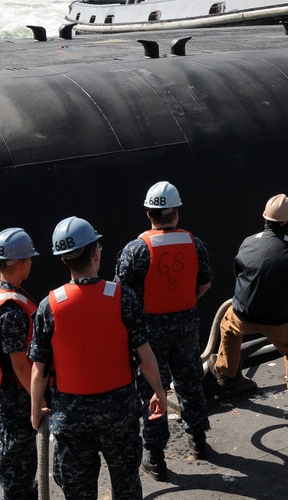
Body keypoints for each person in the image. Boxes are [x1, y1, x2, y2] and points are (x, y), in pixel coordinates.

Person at [29, 216, 166, 500]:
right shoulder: (123, 298)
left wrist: (35, 410)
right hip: (119, 414)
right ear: (95, 253)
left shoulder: (48, 307)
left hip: (71, 418)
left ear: (63, 260)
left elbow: (39, 370)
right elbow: (145, 356)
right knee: (127, 485)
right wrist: (159, 392)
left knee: (78, 493)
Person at [115, 181, 213, 481]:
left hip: (149, 332)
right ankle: (198, 441)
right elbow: (206, 282)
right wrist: (183, 302)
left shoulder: (135, 250)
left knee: (152, 391)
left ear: (149, 214)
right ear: (176, 213)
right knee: (190, 381)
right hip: (185, 326)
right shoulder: (195, 244)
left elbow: (121, 293)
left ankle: (155, 458)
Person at [212, 194, 288, 415]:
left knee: (228, 328)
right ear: (287, 223)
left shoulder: (249, 241)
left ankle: (226, 373)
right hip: (279, 321)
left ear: (266, 219)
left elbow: (238, 272)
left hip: (243, 314)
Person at [0, 228, 41, 500]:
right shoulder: (11, 311)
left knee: (6, 444)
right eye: (28, 258)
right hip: (12, 394)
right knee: (19, 454)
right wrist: (37, 399)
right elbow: (19, 364)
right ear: (20, 262)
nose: (31, 262)